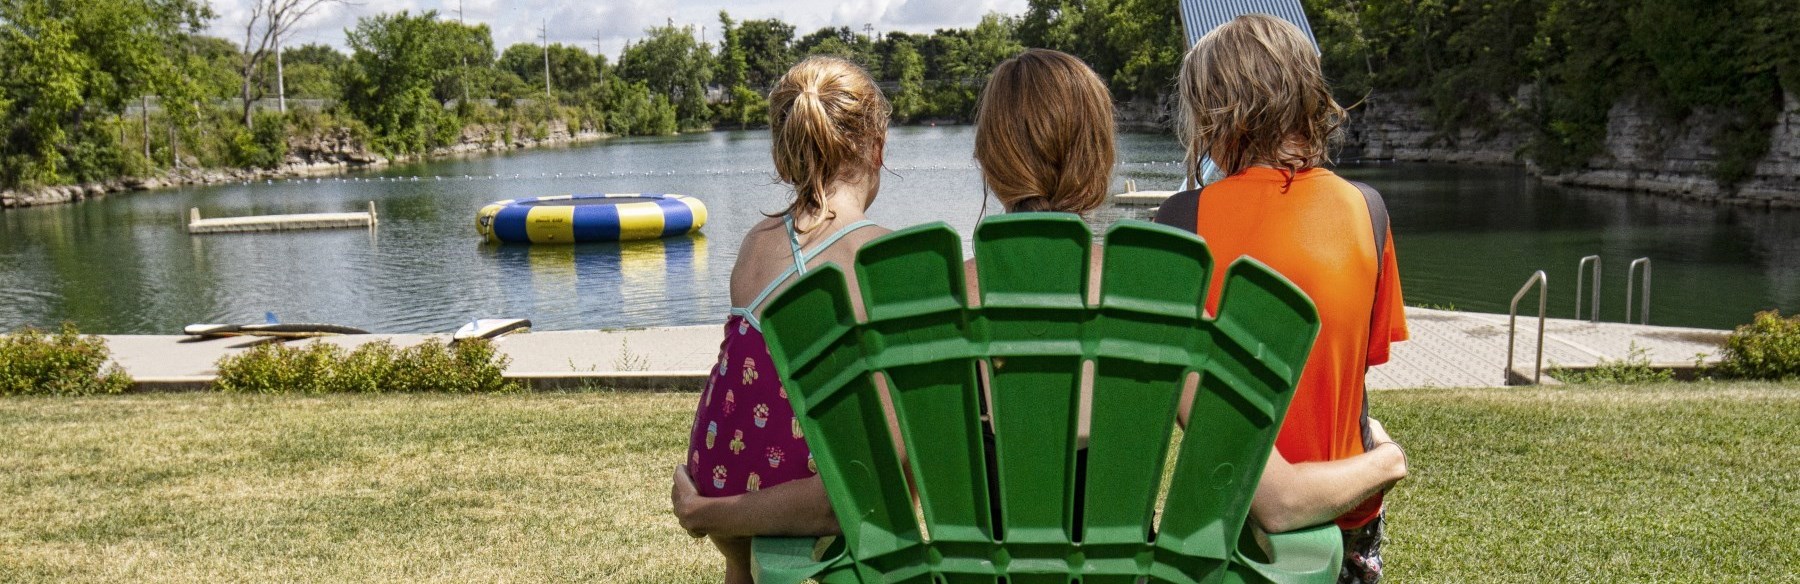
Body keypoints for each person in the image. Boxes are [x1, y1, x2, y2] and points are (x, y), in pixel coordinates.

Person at [1154, 14, 1410, 583]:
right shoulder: (1368, 210)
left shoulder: (1182, 220)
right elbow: (1350, 372)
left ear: (1218, 112)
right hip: (1348, 509)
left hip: (1233, 514)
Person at [676, 56, 893, 584]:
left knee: (744, 566)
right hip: (798, 490)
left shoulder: (755, 242)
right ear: (877, 147)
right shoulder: (878, 254)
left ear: (783, 152)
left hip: (717, 472)